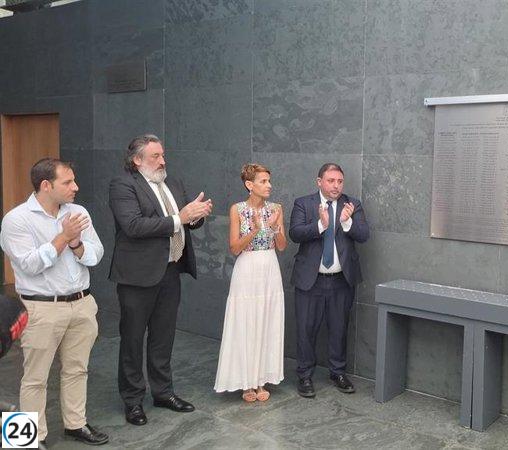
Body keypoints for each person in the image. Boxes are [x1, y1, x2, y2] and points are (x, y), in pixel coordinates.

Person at [0, 158, 108, 446]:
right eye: (68, 182)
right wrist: (64, 237)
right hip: (40, 308)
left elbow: (95, 255)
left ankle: (76, 424)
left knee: (78, 369)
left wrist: (76, 244)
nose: (76, 187)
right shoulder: (16, 219)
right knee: (33, 377)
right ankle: (24, 441)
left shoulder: (78, 211)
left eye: (74, 180)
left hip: (83, 304)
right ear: (46, 185)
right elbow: (29, 265)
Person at [108, 135, 212, 426]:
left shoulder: (173, 182)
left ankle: (163, 392)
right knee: (132, 339)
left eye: (163, 155)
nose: (162, 161)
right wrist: (182, 217)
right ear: (137, 159)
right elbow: (133, 226)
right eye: (155, 156)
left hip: (170, 270)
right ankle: (132, 400)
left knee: (163, 337)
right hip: (137, 276)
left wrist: (197, 216)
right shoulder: (123, 185)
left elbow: (184, 219)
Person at [288, 163, 369, 398]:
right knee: (305, 329)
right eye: (331, 180)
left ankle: (338, 372)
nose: (336, 186)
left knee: (339, 328)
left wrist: (346, 222)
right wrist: (321, 224)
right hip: (310, 280)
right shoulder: (304, 203)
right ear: (319, 182)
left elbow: (364, 235)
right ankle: (304, 376)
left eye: (340, 181)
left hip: (341, 281)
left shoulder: (352, 205)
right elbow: (295, 233)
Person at [214, 164, 287, 402]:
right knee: (246, 320)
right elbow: (234, 247)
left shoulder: (276, 209)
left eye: (269, 181)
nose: (269, 185)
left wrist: (276, 228)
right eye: (263, 181)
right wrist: (255, 229)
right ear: (249, 185)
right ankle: (246, 382)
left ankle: (262, 380)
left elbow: (283, 246)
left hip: (270, 268)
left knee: (267, 318)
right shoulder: (238, 209)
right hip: (246, 269)